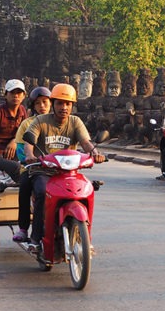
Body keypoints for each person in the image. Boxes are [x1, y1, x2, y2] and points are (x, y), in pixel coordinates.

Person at [19, 83, 105, 247]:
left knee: (87, 190)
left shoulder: (75, 122)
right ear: (53, 104)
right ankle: (35, 238)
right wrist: (30, 155)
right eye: (59, 103)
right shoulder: (40, 121)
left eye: (67, 104)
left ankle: (85, 236)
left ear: (72, 105)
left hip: (68, 173)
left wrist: (95, 153)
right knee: (41, 192)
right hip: (43, 171)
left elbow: (85, 142)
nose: (64, 107)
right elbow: (29, 142)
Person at [11, 86, 51, 242]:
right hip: (32, 168)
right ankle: (23, 228)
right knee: (25, 187)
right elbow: (21, 149)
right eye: (38, 103)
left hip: (57, 168)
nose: (42, 106)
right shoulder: (27, 124)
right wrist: (30, 158)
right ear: (33, 106)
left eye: (45, 102)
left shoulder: (59, 122)